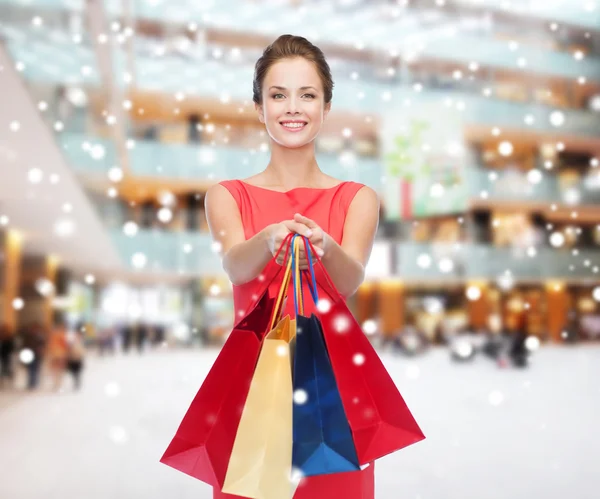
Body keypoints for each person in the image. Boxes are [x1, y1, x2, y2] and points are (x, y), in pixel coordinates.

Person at [205, 34, 379, 499]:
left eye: (307, 94)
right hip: (254, 391)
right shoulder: (228, 195)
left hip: (332, 397)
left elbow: (349, 281)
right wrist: (265, 240)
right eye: (277, 95)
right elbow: (236, 268)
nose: (292, 108)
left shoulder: (357, 198)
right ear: (259, 108)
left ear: (325, 107)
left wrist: (326, 247)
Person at [0, 323, 16, 389]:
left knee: (8, 367)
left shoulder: (9, 338)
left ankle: (8, 379)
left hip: (7, 355)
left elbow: (12, 347)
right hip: (2, 355)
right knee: (2, 368)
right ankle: (2, 381)